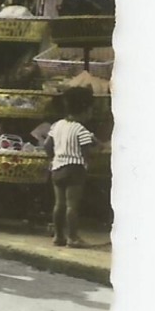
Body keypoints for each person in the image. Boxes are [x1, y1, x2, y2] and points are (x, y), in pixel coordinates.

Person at [45, 87, 98, 247]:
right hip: (75, 170)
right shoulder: (81, 130)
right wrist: (91, 158)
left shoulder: (57, 125)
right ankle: (73, 237)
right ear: (85, 110)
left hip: (57, 168)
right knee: (72, 205)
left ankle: (58, 236)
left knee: (59, 204)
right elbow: (87, 151)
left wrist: (52, 158)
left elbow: (48, 144)